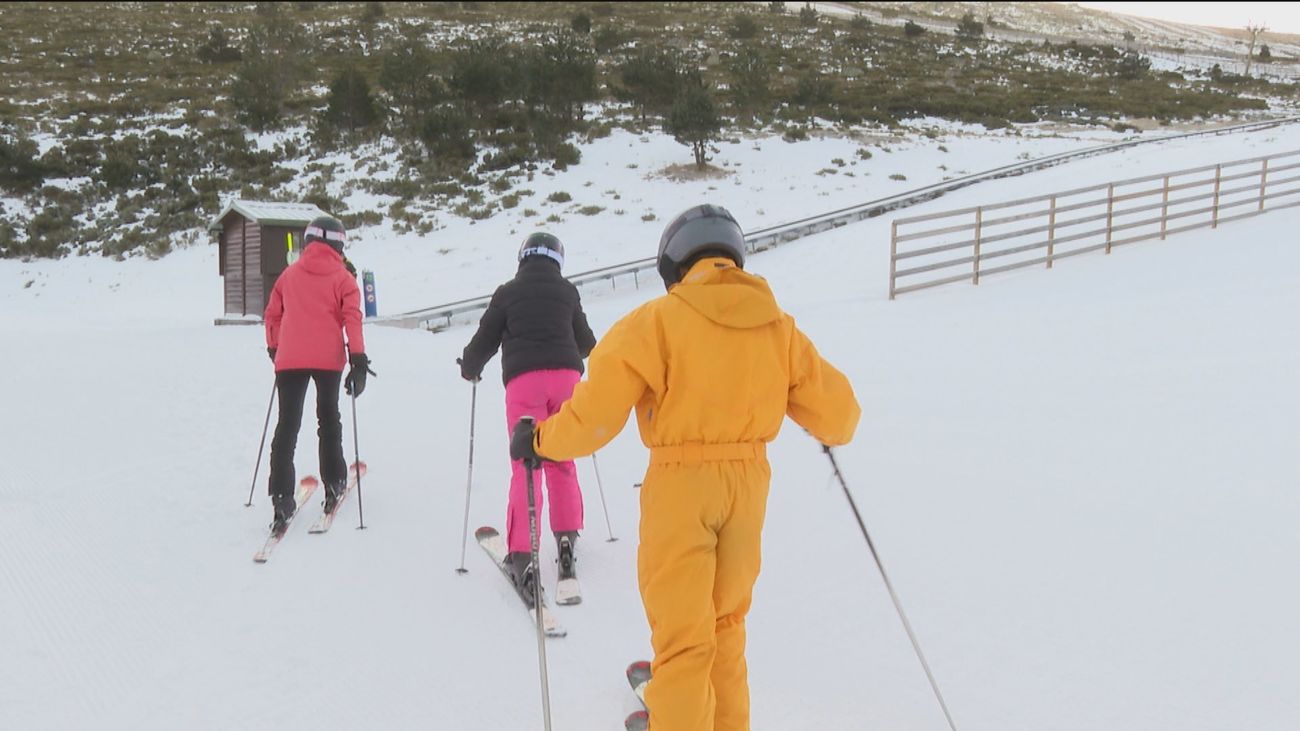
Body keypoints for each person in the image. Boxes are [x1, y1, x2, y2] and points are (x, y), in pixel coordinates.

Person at [509, 205, 860, 731]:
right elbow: (841, 415)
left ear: (674, 264)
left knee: (684, 639)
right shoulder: (778, 327)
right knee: (726, 625)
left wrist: (541, 440)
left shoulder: (657, 321)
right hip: (748, 487)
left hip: (682, 486)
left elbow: (595, 416)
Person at [459, 232, 597, 602]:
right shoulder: (567, 292)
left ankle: (522, 554)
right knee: (562, 458)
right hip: (566, 380)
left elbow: (484, 341)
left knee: (526, 464)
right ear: (558, 260)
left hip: (525, 383)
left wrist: (470, 367)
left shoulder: (507, 293)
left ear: (523, 257)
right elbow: (586, 342)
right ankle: (566, 539)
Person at [264, 215, 372, 533]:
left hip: (290, 358)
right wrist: (358, 361)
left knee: (287, 425)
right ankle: (334, 482)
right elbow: (352, 319)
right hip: (328, 359)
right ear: (339, 244)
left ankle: (281, 498)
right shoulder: (344, 278)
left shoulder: (288, 276)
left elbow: (273, 315)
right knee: (328, 419)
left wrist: (275, 347)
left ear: (309, 240)